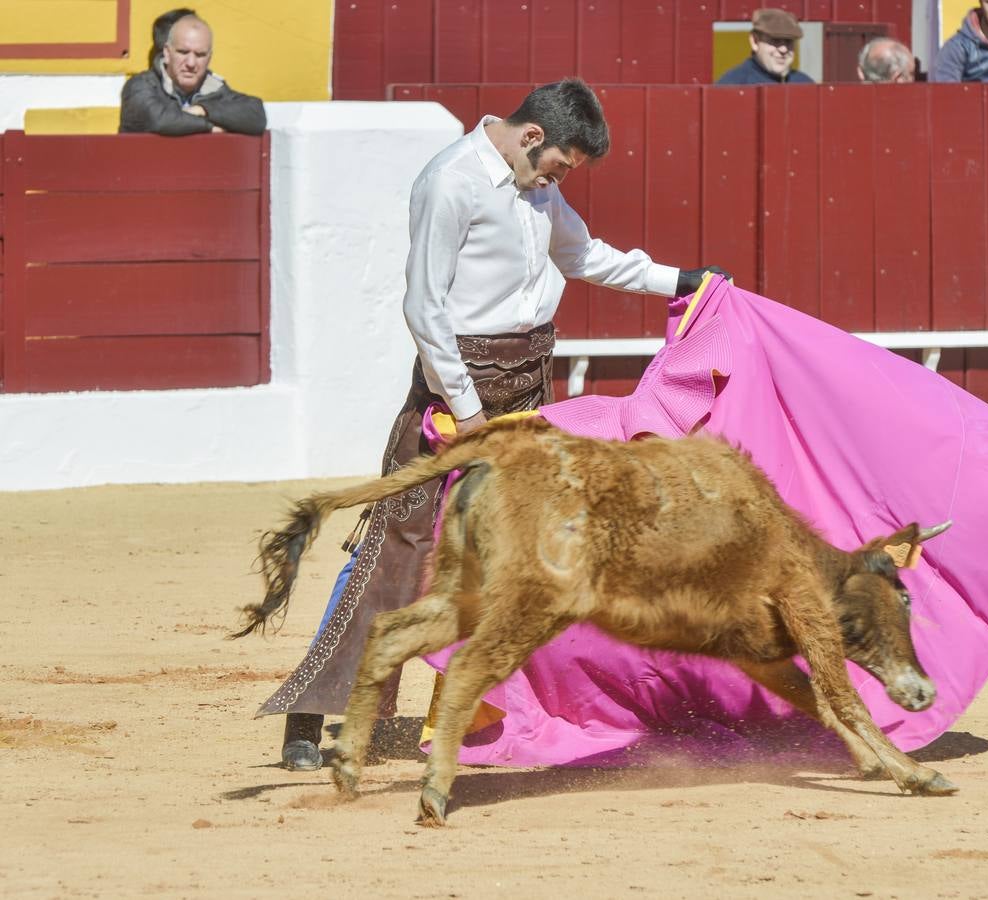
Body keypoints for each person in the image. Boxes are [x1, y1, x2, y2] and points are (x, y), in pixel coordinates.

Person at [258, 78, 727, 770]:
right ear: (532, 136)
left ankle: (474, 719)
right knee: (397, 544)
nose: (558, 180)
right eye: (560, 166)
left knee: (514, 557)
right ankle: (312, 713)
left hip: (528, 388)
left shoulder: (535, 183)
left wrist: (679, 280)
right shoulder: (450, 181)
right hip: (459, 394)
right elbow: (425, 312)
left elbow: (583, 255)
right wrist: (472, 419)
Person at [119, 13, 265, 136]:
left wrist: (203, 110)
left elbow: (256, 114)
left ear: (209, 58)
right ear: (167, 53)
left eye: (200, 55)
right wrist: (209, 127)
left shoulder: (214, 88)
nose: (191, 63)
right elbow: (158, 120)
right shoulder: (140, 86)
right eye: (183, 52)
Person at [717, 8, 815, 85]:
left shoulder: (805, 83)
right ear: (755, 41)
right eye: (775, 40)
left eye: (788, 41)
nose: (783, 49)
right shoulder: (732, 85)